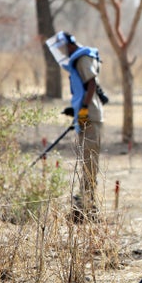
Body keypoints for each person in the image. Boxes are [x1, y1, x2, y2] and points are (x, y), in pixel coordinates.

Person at [46, 31, 105, 219]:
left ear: (70, 44)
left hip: (90, 117)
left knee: (89, 162)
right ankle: (83, 203)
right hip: (83, 116)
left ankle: (87, 206)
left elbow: (92, 84)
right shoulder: (78, 58)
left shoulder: (82, 58)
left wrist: (85, 108)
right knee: (85, 161)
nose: (62, 52)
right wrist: (76, 110)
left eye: (63, 48)